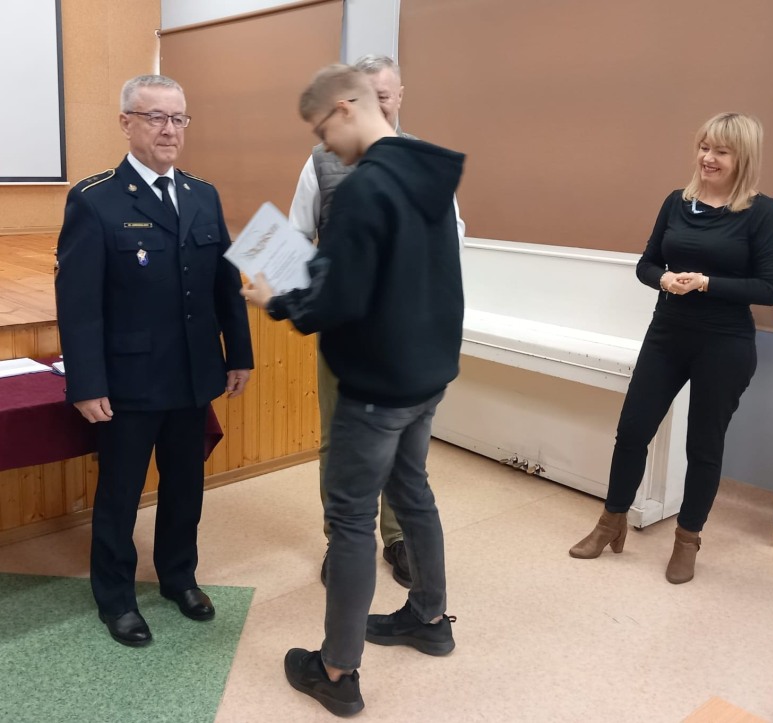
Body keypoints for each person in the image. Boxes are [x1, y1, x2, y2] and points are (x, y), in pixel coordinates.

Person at [242, 64, 463, 717]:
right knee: (414, 492)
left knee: (349, 520)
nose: (324, 147)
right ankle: (429, 617)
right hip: (425, 374)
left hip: (375, 384)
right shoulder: (426, 170)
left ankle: (337, 670)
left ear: (345, 108)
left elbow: (336, 300)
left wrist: (275, 300)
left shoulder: (365, 186)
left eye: (321, 131)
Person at [55, 74, 253, 646]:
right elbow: (79, 304)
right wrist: (86, 382)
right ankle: (115, 597)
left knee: (186, 486)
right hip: (130, 379)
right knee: (120, 494)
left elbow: (225, 284)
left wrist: (238, 354)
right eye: (156, 117)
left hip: (193, 374)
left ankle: (178, 577)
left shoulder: (202, 194)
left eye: (178, 118)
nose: (170, 130)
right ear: (127, 123)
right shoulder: (95, 199)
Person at [569, 112, 773, 584]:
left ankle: (687, 540)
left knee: (703, 446)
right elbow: (646, 264)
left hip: (725, 343)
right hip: (667, 334)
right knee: (632, 432)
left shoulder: (761, 212)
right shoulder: (677, 202)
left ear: (743, 157)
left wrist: (707, 283)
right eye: (704, 147)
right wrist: (663, 279)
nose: (708, 158)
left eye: (721, 151)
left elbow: (770, 288)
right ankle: (611, 522)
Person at [288, 54, 466, 589]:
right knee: (338, 442)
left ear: (397, 97)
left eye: (383, 97)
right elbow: (296, 236)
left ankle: (396, 539)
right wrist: (304, 283)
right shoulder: (322, 162)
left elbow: (452, 244)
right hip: (345, 333)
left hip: (406, 338)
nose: (376, 106)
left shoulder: (423, 166)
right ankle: (342, 541)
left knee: (407, 458)